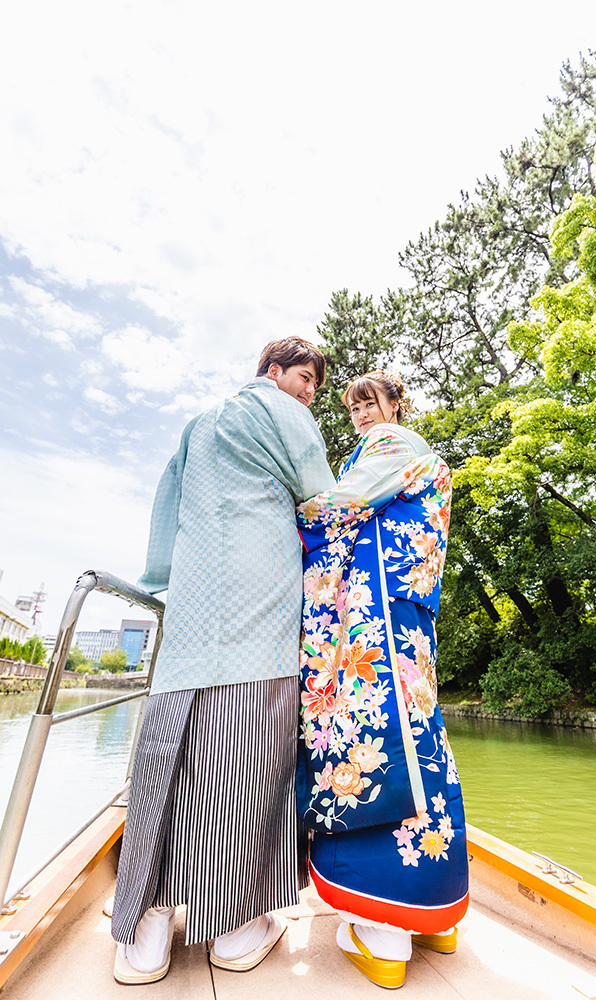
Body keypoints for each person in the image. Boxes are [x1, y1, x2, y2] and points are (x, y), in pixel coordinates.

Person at [111, 337, 336, 984]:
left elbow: (166, 514)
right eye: (303, 377)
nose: (309, 392)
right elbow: (322, 501)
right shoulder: (283, 413)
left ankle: (147, 929)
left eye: (314, 385)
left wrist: (165, 577)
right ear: (273, 371)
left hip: (192, 604)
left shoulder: (198, 424)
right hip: (256, 601)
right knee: (248, 758)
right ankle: (234, 928)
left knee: (165, 758)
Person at [296, 371, 469, 989]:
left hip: (372, 614)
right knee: (420, 738)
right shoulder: (414, 455)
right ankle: (436, 915)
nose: (362, 414)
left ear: (396, 404)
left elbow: (338, 508)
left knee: (370, 741)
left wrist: (286, 518)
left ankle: (382, 930)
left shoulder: (394, 444)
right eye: (355, 407)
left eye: (370, 402)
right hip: (404, 614)